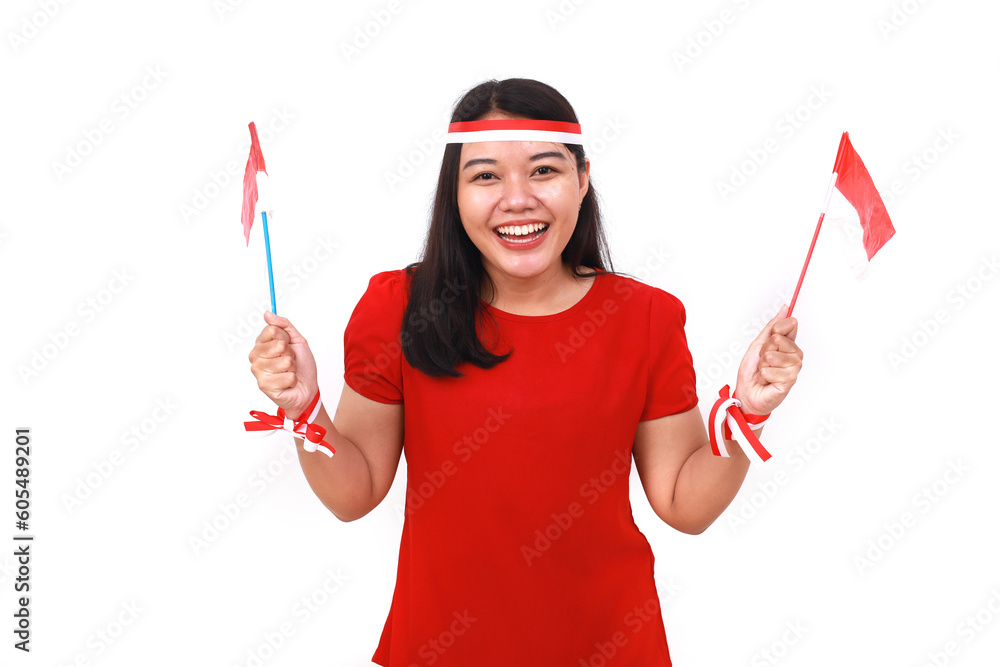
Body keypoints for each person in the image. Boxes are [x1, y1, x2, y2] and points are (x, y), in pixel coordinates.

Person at [247, 78, 803, 666]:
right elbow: (353, 495)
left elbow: (683, 505)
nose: (517, 199)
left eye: (543, 170)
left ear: (582, 180)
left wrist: (749, 410)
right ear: (455, 194)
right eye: (486, 175)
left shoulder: (645, 318)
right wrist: (304, 409)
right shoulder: (399, 308)